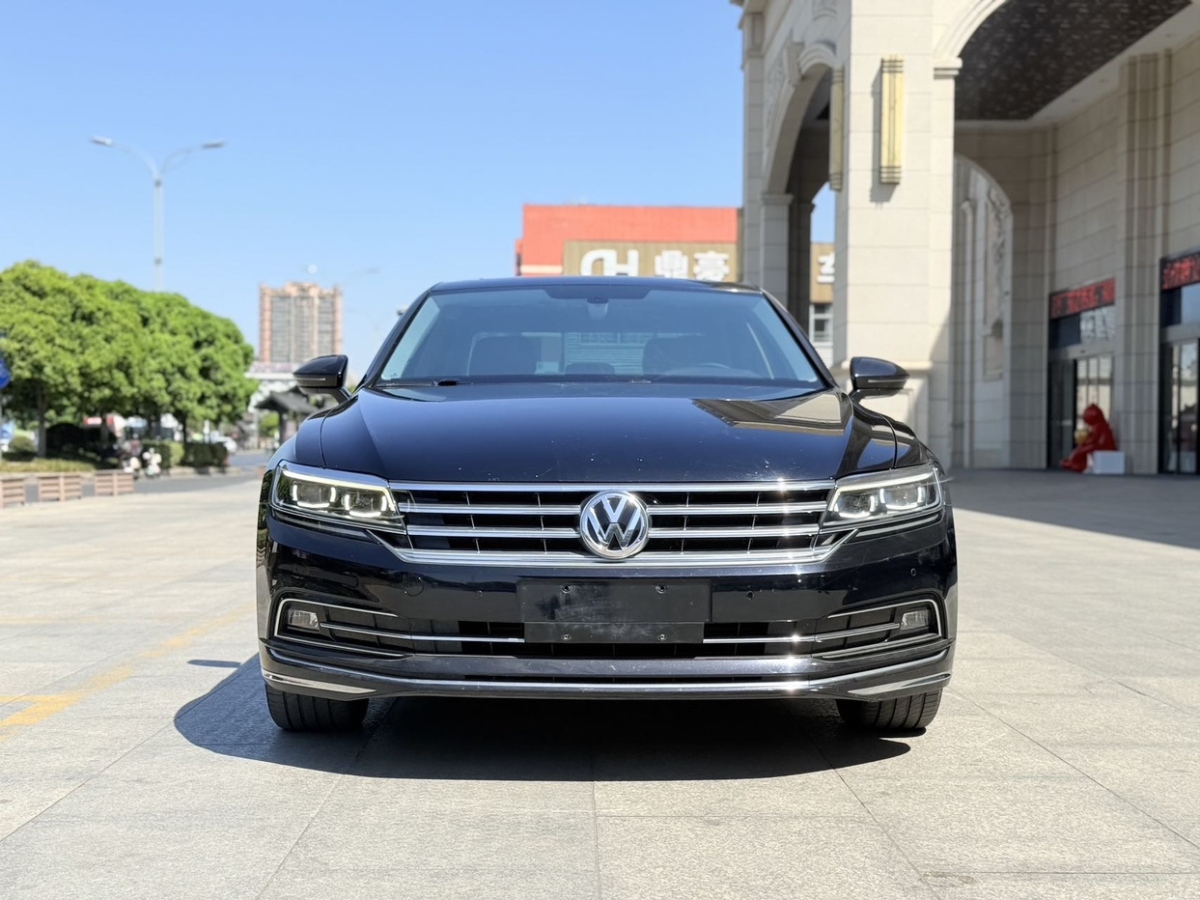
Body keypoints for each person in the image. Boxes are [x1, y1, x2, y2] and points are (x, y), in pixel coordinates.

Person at [1061, 403, 1116, 472]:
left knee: (1082, 450)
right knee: (1081, 449)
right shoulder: (1098, 425)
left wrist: (1085, 442)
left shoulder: (1099, 426)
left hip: (1102, 447)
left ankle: (1075, 463)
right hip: (1099, 445)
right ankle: (1075, 462)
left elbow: (1094, 439)